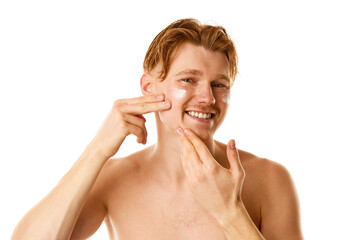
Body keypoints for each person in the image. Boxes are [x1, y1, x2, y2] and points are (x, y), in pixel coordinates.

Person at [12, 18, 303, 240]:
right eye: (188, 80)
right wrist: (97, 149)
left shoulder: (269, 180)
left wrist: (230, 212)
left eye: (219, 84)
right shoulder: (114, 178)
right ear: (149, 88)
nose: (208, 98)